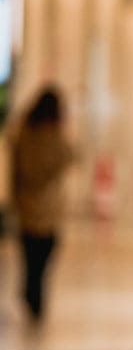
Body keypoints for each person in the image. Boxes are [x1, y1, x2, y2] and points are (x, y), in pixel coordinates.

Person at [9, 86, 76, 323]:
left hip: (27, 207)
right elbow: (71, 156)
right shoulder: (54, 135)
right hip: (48, 210)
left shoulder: (23, 133)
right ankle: (34, 297)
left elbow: (16, 169)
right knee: (43, 260)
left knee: (30, 259)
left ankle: (31, 292)